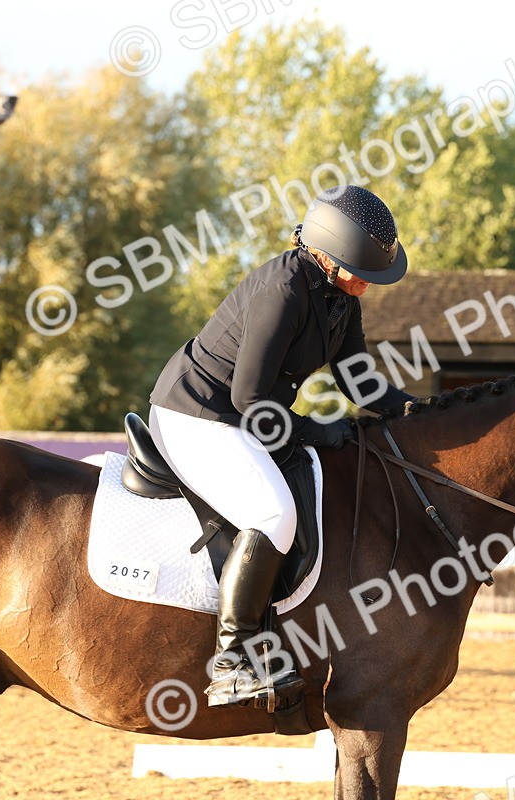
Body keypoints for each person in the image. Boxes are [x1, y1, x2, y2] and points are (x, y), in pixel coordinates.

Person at [148, 185, 415, 706]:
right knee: (274, 515)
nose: (368, 283)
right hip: (198, 415)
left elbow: (358, 381)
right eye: (360, 271)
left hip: (245, 417)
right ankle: (232, 660)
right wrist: (315, 430)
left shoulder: (341, 296)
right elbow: (248, 397)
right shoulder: (283, 290)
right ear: (326, 255)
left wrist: (415, 411)